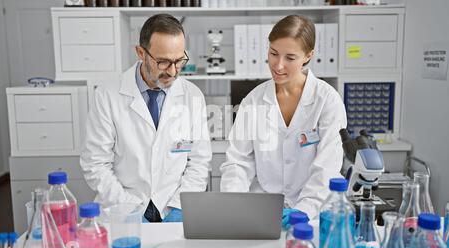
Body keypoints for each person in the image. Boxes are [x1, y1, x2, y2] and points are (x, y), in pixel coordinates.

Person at [80, 14, 212, 223]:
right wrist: (129, 210)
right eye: (162, 62)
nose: (173, 71)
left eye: (179, 61)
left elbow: (198, 161)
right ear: (141, 52)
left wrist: (180, 207)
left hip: (173, 207)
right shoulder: (108, 94)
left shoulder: (192, 95)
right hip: (123, 206)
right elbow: (95, 164)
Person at [220, 15, 347, 226]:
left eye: (290, 58)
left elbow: (326, 167)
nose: (278, 65)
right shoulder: (253, 101)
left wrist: (303, 211)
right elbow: (238, 162)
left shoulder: (327, 101)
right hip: (261, 212)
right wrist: (235, 204)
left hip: (312, 214)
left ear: (308, 56)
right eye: (273, 53)